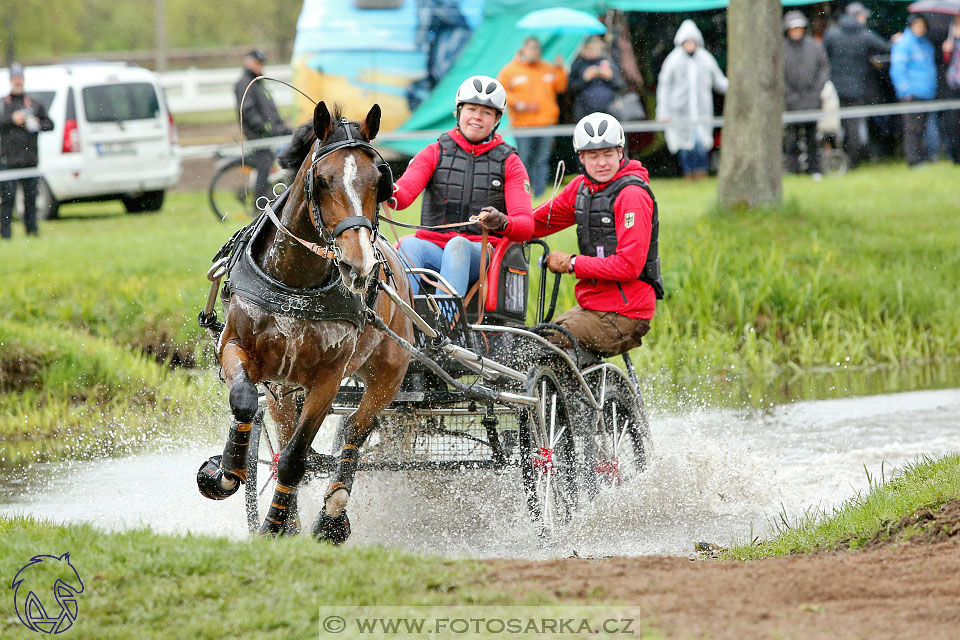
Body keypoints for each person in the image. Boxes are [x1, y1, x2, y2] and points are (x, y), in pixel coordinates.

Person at [530, 112, 662, 358]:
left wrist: (572, 263)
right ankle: (575, 393)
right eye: (593, 155)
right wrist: (500, 223)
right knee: (534, 338)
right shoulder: (581, 188)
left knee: (545, 345)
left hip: (625, 314)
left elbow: (628, 266)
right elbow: (536, 222)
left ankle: (565, 392)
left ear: (621, 152)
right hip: (594, 307)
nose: (601, 162)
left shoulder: (632, 195)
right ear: (581, 157)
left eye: (608, 154)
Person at [392, 75, 534, 297]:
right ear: (458, 112)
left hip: (481, 254)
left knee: (458, 244)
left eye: (486, 112)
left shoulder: (510, 161)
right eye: (471, 109)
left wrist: (502, 221)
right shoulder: (434, 151)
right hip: (434, 248)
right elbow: (401, 196)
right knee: (409, 246)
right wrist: (383, 188)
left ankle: (446, 326)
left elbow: (525, 225)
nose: (477, 117)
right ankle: (402, 322)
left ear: (497, 120)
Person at [656, 19, 728, 180]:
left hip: (702, 111)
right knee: (684, 146)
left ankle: (701, 174)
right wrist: (663, 111)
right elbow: (664, 87)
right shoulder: (673, 60)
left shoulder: (705, 58)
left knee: (701, 145)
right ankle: (688, 175)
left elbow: (719, 81)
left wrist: (737, 88)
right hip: (679, 112)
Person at [822, 2, 891, 170]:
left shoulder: (832, 34)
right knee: (853, 128)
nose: (865, 19)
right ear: (857, 17)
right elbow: (885, 48)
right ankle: (851, 163)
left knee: (830, 126)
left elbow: (824, 57)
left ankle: (833, 159)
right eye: (863, 16)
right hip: (857, 89)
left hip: (834, 90)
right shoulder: (865, 35)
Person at [497, 37, 567, 198]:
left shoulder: (548, 68)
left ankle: (539, 193)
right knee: (524, 159)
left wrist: (560, 68)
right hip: (523, 124)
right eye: (531, 48)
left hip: (546, 122)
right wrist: (517, 103)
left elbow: (561, 87)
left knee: (542, 159)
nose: (534, 52)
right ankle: (523, 191)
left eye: (537, 49)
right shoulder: (510, 70)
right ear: (523, 50)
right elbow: (501, 91)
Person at [1, 62, 54, 240]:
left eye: (20, 78)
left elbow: (49, 124)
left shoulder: (34, 103)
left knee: (30, 200)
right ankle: (5, 235)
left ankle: (32, 233)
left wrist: (35, 123)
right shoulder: (3, 105)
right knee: (7, 201)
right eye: (15, 78)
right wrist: (12, 120)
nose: (18, 81)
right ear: (10, 80)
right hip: (8, 161)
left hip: (30, 159)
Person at [233, 49, 292, 204]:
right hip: (258, 135)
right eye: (258, 62)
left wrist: (280, 124)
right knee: (264, 164)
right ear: (248, 62)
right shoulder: (245, 83)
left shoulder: (258, 82)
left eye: (262, 63)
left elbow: (269, 109)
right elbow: (247, 111)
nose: (261, 66)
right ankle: (258, 204)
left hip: (270, 131)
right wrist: (266, 128)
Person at [783, 10, 831, 178]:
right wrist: (789, 96)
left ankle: (814, 169)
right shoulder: (781, 49)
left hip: (812, 100)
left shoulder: (815, 47)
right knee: (791, 139)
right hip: (790, 103)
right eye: (793, 28)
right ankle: (793, 169)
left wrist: (816, 91)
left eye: (799, 28)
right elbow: (777, 77)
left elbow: (824, 70)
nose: (796, 31)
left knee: (812, 138)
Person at [890, 15, 938, 168]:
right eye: (917, 25)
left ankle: (922, 158)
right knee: (912, 129)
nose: (920, 28)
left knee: (922, 128)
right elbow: (898, 70)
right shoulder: (904, 44)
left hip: (926, 92)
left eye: (922, 25)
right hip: (912, 94)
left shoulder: (925, 44)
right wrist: (905, 91)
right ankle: (913, 160)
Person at [569, 36, 626, 121]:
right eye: (589, 49)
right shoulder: (578, 64)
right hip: (585, 110)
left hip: (608, 109)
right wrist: (584, 79)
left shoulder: (607, 62)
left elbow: (620, 85)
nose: (592, 52)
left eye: (595, 49)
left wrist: (610, 77)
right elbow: (571, 88)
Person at [942, 14, 960, 165]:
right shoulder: (948, 32)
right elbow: (945, 61)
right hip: (953, 83)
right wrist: (946, 50)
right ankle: (955, 156)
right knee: (953, 121)